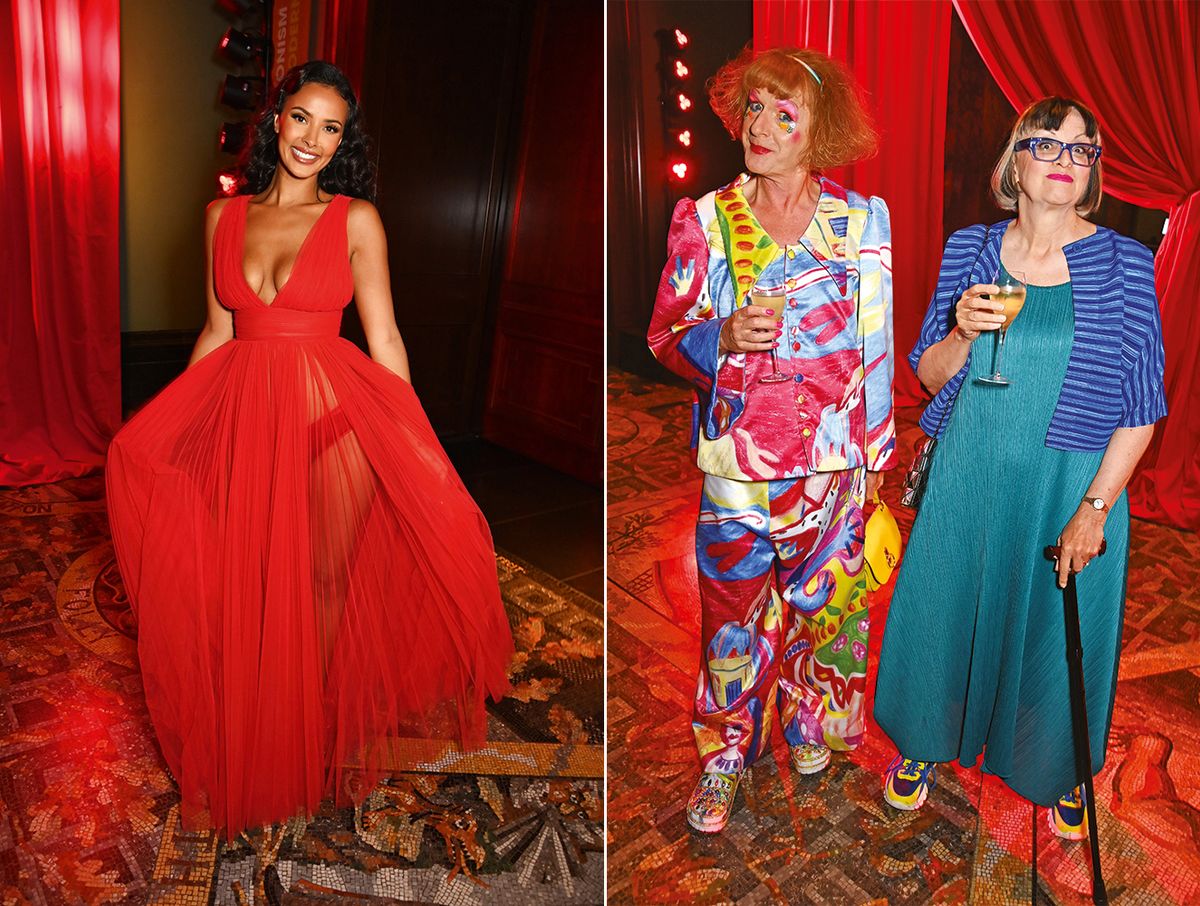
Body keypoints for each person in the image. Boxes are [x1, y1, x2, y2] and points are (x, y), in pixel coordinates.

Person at [105, 61, 514, 838]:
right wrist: (176, 426)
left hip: (336, 426)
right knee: (248, 579)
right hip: (240, 418)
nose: (312, 140)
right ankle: (259, 722)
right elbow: (219, 331)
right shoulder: (219, 219)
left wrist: (416, 446)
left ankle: (307, 734)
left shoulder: (356, 219)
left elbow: (384, 337)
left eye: (331, 128)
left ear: (343, 141)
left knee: (321, 586)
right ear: (275, 121)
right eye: (301, 119)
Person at [874, 97, 1166, 841]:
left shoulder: (1126, 264)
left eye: (1082, 150)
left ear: (1093, 172)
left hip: (1067, 483)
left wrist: (1095, 509)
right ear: (1015, 162)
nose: (1067, 160)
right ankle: (926, 742)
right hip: (970, 471)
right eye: (1049, 144)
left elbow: (1141, 406)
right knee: (946, 608)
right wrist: (963, 334)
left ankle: (1056, 763)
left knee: (1054, 627)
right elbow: (928, 376)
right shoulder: (969, 248)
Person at [647, 46, 895, 834]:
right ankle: (724, 755)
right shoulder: (705, 218)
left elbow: (877, 349)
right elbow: (663, 336)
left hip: (832, 466)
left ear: (818, 132)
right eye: (754, 108)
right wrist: (719, 336)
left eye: (783, 113)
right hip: (738, 469)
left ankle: (811, 724)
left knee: (828, 613)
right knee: (732, 616)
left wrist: (875, 461)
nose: (760, 125)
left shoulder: (862, 223)